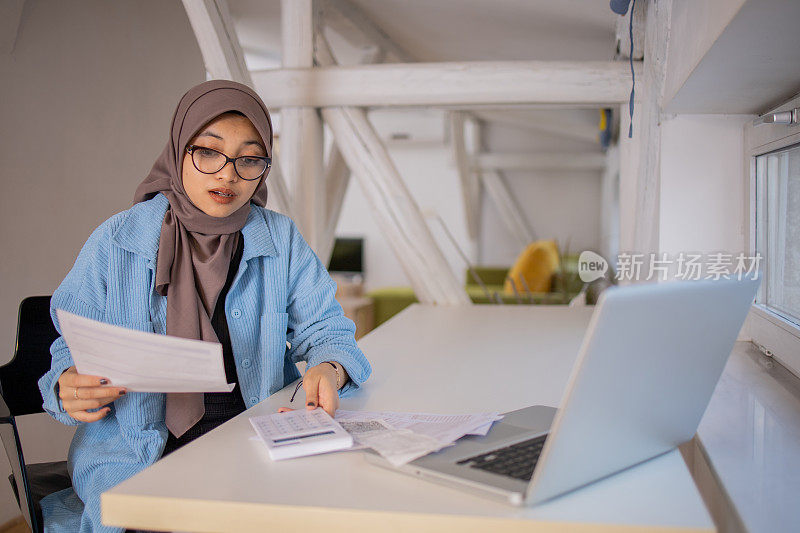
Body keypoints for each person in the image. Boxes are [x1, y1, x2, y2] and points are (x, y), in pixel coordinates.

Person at [37, 80, 371, 533]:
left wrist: (329, 369)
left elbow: (329, 331)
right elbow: (66, 347)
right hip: (139, 452)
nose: (228, 174)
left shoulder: (282, 239)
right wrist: (67, 386)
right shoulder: (116, 241)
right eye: (209, 152)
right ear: (179, 150)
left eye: (249, 158)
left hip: (254, 442)